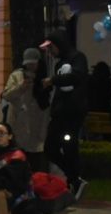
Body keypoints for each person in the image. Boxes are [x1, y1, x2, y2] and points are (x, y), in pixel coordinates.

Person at [35, 29, 89, 197]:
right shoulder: (60, 64)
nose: (50, 52)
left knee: (69, 147)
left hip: (72, 113)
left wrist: (53, 80)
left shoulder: (78, 58)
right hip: (59, 113)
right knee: (50, 148)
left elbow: (77, 77)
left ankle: (74, 181)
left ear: (59, 45)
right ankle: (75, 178)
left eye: (51, 48)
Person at [1, 47, 49, 172]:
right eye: (29, 64)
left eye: (34, 64)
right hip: (19, 126)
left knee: (36, 165)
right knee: (19, 163)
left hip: (36, 128)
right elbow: (7, 95)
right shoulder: (17, 76)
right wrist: (21, 87)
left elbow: (45, 105)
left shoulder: (44, 78)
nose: (31, 67)